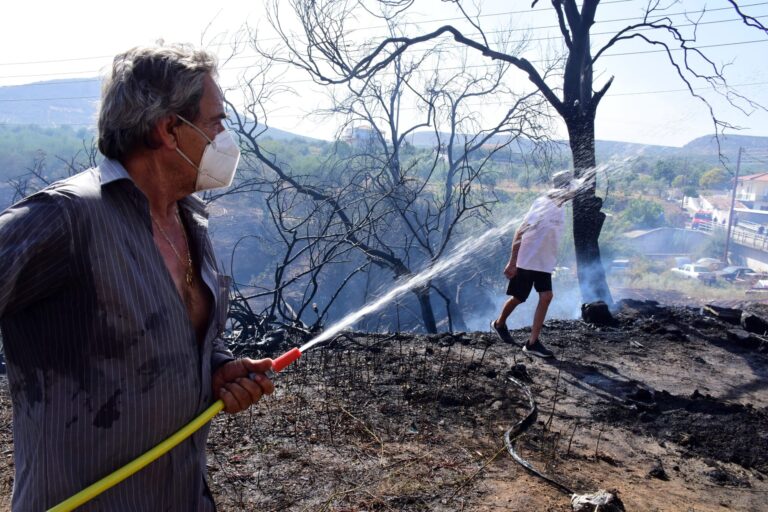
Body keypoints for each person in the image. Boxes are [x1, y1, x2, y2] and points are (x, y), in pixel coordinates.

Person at [0, 44, 274, 511]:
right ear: (169, 129)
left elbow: (174, 337)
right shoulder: (66, 218)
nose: (225, 136)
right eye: (214, 121)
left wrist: (216, 368)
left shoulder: (189, 221)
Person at [491, 171, 577, 358]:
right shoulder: (543, 204)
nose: (574, 191)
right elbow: (520, 232)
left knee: (546, 296)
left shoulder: (560, 207)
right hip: (527, 260)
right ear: (565, 187)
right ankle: (499, 324)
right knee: (519, 298)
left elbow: (551, 238)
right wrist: (512, 261)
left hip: (544, 263)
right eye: (572, 187)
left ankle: (532, 343)